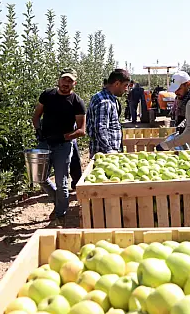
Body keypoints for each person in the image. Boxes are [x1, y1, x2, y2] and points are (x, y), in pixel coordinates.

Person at [32, 68, 86, 218]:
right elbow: (36, 116)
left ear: (75, 83)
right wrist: (38, 130)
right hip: (44, 142)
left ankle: (60, 213)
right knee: (40, 177)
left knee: (62, 182)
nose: (66, 83)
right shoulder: (47, 95)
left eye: (70, 81)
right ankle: (59, 200)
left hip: (63, 145)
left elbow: (82, 130)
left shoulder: (77, 102)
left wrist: (63, 137)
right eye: (64, 80)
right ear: (59, 80)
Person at [86, 69, 131, 157]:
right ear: (117, 84)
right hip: (105, 155)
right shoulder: (105, 101)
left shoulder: (104, 97)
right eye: (125, 85)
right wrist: (109, 150)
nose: (126, 89)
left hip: (106, 153)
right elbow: (100, 128)